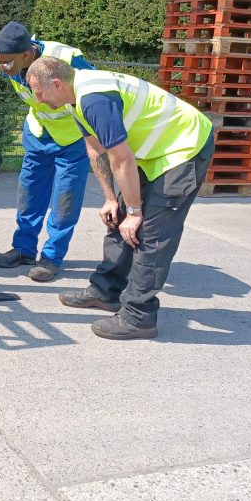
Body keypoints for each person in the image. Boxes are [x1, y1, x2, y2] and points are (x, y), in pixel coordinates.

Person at [25, 55, 215, 340]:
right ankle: (105, 291)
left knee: (152, 234)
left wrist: (136, 211)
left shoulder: (94, 100)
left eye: (39, 93)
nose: (38, 100)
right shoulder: (74, 99)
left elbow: (121, 158)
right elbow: (96, 151)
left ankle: (139, 317)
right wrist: (111, 199)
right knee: (119, 219)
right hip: (152, 152)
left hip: (182, 148)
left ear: (56, 83)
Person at [0, 21, 95, 282]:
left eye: (6, 63)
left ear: (26, 55)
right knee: (30, 194)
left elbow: (93, 93)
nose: (2, 68)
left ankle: (51, 257)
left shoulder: (68, 58)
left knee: (64, 199)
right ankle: (23, 249)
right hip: (38, 134)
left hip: (72, 139)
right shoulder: (10, 60)